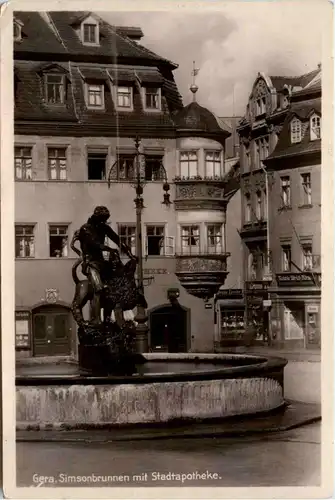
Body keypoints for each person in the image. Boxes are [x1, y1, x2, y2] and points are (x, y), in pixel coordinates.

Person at [71, 206, 131, 323]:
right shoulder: (86, 228)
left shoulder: (103, 227)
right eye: (102, 219)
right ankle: (95, 319)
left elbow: (117, 239)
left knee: (114, 287)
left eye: (105, 219)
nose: (104, 222)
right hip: (91, 264)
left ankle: (108, 319)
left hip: (102, 264)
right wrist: (110, 249)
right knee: (98, 289)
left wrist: (129, 253)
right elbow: (96, 244)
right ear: (96, 218)